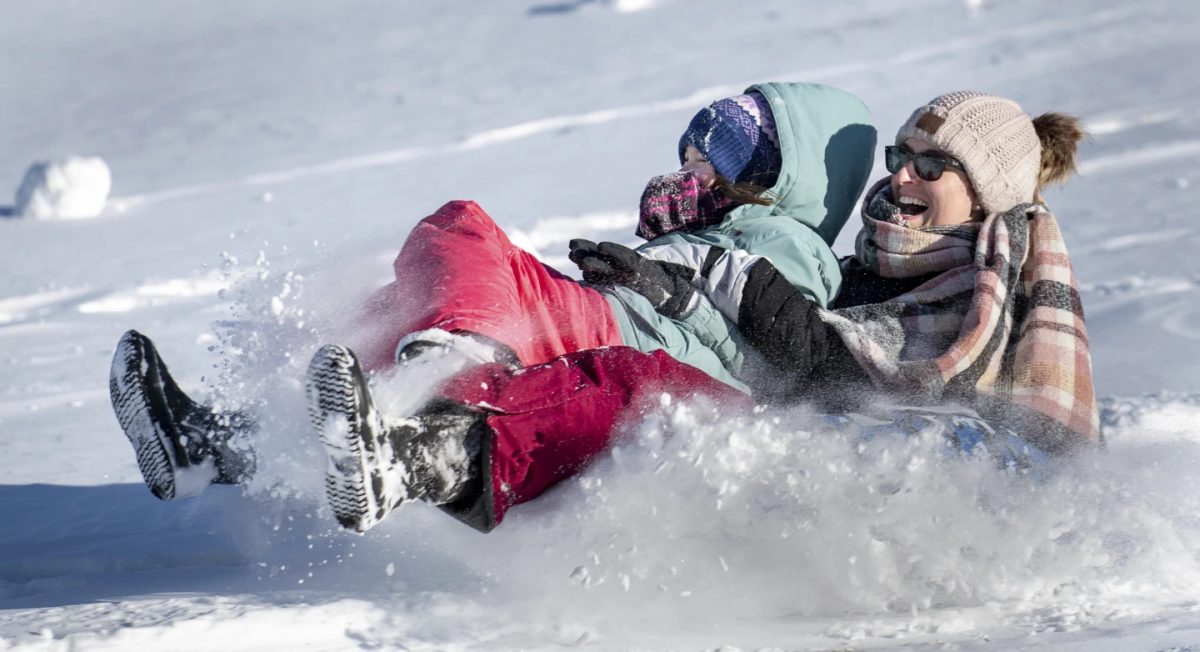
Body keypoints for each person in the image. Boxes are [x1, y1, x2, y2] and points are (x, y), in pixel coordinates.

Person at [109, 83, 876, 532]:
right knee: (417, 287)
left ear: (790, 176)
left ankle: (448, 369)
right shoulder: (715, 229)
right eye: (691, 151)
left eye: (728, 157)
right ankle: (225, 443)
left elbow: (763, 362)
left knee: (464, 231)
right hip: (600, 318)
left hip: (627, 338)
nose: (695, 168)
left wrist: (659, 288)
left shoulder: (788, 246)